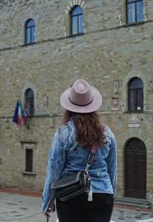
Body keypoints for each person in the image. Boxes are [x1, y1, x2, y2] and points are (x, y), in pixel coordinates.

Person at [42, 79, 117, 222]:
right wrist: (110, 193)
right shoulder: (108, 133)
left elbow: (54, 170)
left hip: (71, 195)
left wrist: (48, 201)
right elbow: (112, 169)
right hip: (102, 195)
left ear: (69, 107)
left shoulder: (63, 133)